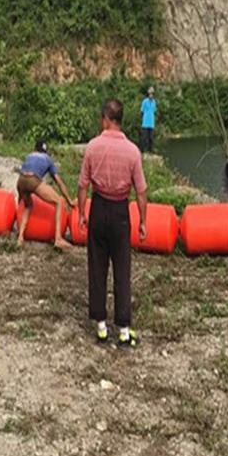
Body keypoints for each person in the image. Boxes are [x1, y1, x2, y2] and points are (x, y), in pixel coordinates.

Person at [78, 99, 147, 348]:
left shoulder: (93, 147)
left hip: (98, 207)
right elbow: (141, 191)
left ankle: (100, 327)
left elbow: (82, 184)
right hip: (120, 211)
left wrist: (82, 214)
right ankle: (124, 330)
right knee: (122, 268)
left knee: (97, 265)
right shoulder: (132, 151)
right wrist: (142, 222)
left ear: (106, 118)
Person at [16, 140, 75, 250]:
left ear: (35, 149)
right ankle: (58, 238)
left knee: (28, 206)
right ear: (46, 151)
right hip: (32, 180)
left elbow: (23, 175)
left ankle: (20, 237)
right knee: (58, 201)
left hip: (20, 181)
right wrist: (69, 200)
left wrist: (18, 207)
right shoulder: (48, 159)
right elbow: (59, 182)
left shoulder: (29, 156)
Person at [139, 86, 157, 153]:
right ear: (148, 94)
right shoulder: (144, 101)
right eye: (150, 94)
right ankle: (143, 151)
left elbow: (154, 111)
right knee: (144, 138)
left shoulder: (154, 102)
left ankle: (151, 151)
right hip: (145, 123)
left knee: (151, 138)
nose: (151, 95)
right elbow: (141, 111)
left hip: (151, 123)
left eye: (152, 94)